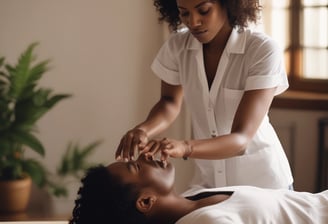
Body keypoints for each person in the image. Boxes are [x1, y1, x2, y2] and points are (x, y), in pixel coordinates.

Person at [115, 0, 294, 191]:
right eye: (184, 13)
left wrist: (186, 147)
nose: (193, 22)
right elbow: (169, 102)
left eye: (203, 11)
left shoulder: (262, 49)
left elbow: (241, 139)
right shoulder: (177, 47)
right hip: (208, 183)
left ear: (229, 4)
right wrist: (143, 130)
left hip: (262, 183)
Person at [69, 154, 328, 224]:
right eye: (137, 166)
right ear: (146, 202)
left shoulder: (193, 197)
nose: (146, 155)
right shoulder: (205, 221)